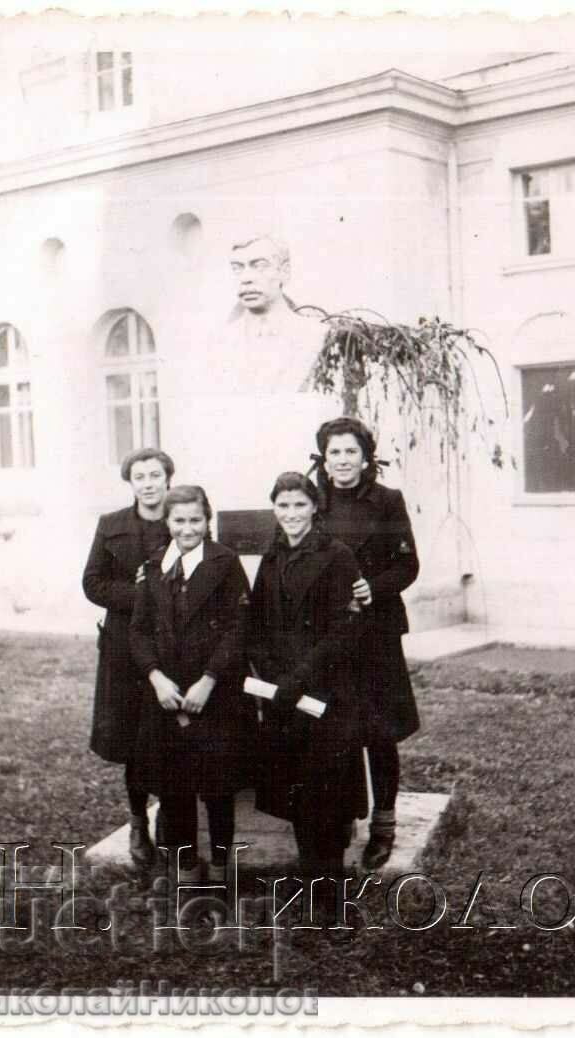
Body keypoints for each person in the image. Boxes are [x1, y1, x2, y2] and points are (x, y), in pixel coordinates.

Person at [129, 485, 254, 883]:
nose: (187, 529)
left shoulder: (225, 563)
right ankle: (185, 868)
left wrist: (210, 679)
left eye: (195, 520)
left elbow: (238, 630)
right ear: (167, 522)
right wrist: (156, 677)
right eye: (179, 520)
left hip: (213, 694)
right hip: (167, 695)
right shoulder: (153, 567)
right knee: (174, 787)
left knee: (218, 788)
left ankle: (219, 869)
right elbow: (138, 631)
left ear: (207, 520)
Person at [312, 417, 420, 870]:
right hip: (327, 634)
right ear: (324, 456)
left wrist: (372, 588)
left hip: (375, 631)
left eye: (350, 452)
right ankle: (340, 818)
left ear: (365, 456)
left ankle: (384, 824)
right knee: (334, 727)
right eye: (334, 452)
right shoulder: (312, 500)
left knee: (379, 729)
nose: (342, 461)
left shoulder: (386, 501)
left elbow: (408, 565)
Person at [249, 471, 367, 881]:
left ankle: (331, 892)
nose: (291, 513)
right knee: (297, 793)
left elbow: (344, 631)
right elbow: (257, 627)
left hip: (327, 693)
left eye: (299, 504)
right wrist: (274, 677)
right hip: (284, 694)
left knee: (329, 797)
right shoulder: (271, 556)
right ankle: (311, 880)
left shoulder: (337, 555)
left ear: (315, 507)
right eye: (283, 505)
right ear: (274, 509)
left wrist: (298, 679)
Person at [82, 447, 175, 869]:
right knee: (133, 740)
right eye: (140, 476)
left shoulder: (184, 520)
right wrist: (139, 594)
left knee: (173, 734)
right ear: (131, 482)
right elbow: (93, 583)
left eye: (155, 474)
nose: (149, 483)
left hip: (174, 647)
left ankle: (173, 821)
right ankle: (138, 822)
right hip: (123, 648)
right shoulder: (112, 525)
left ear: (167, 478)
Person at [214, 234, 325, 393]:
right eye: (237, 268)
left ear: (285, 272)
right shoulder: (218, 342)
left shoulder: (317, 335)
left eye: (259, 265)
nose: (245, 278)